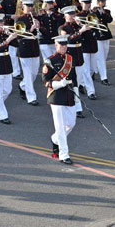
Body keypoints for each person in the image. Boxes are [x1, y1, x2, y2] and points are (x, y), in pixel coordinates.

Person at [42, 35, 77, 165]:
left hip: (69, 95)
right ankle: (64, 154)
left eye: (65, 44)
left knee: (71, 123)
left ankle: (55, 139)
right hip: (56, 96)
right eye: (61, 45)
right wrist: (58, 84)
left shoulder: (70, 59)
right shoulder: (50, 61)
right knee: (60, 127)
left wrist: (76, 93)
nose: (64, 47)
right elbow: (45, 81)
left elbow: (74, 78)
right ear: (56, 45)